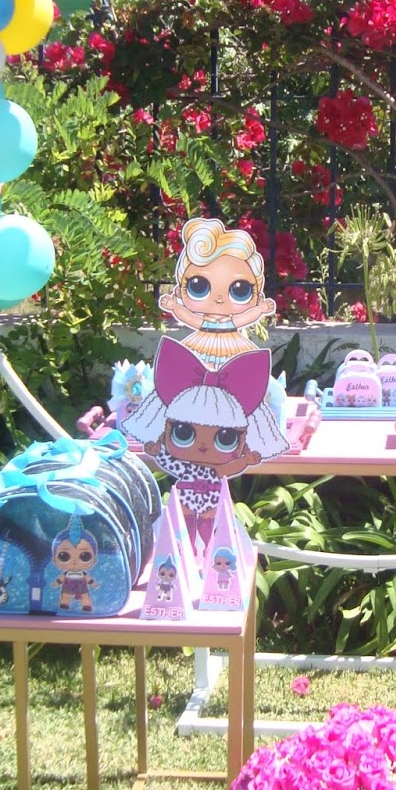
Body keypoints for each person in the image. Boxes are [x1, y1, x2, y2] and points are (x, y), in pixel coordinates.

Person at [123, 340, 287, 548]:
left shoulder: (213, 470)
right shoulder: (184, 467)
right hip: (185, 497)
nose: (202, 447)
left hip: (211, 498)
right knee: (184, 527)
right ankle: (187, 552)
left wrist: (245, 460)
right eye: (184, 433)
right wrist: (157, 451)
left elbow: (227, 468)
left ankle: (208, 552)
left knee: (209, 527)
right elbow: (170, 461)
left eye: (225, 438)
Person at [159, 217, 276, 365]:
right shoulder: (204, 323)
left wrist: (260, 309)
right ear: (179, 291)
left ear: (257, 294)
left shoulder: (231, 322)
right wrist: (175, 307)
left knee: (234, 368)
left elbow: (245, 318)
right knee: (199, 367)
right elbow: (189, 318)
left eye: (240, 290)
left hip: (232, 347)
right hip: (201, 344)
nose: (219, 299)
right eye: (198, 287)